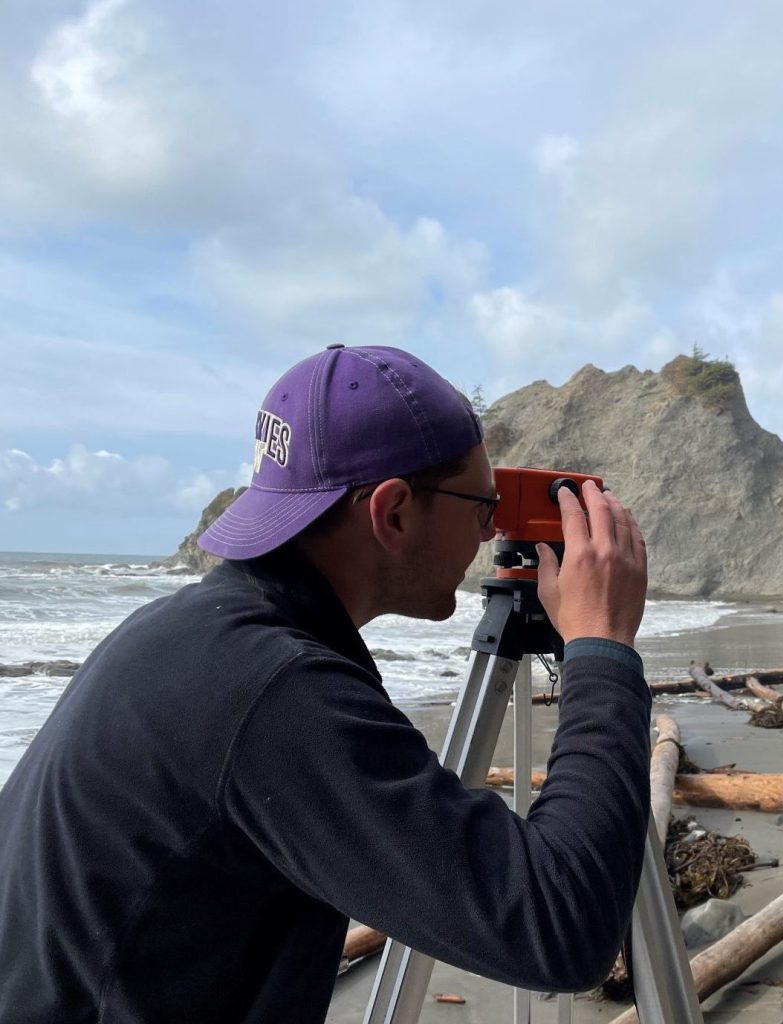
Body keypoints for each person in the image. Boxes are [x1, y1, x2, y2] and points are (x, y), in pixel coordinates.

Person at [0, 344, 650, 1024]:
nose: (492, 531)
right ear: (392, 512)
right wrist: (600, 647)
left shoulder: (191, 632)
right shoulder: (277, 693)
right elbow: (563, 928)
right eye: (482, 506)